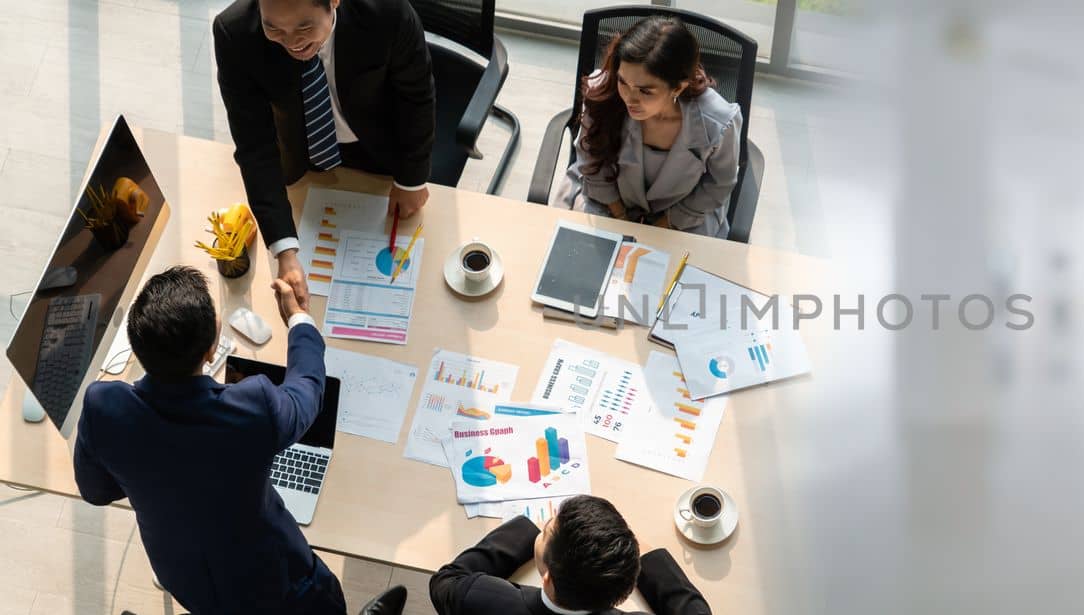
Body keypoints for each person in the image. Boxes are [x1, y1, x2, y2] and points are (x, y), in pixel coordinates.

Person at [69, 266, 399, 613]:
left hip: (188, 582)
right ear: (211, 350)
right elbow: (307, 392)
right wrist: (299, 319)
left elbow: (96, 491)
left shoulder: (102, 406)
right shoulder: (251, 408)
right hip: (281, 591)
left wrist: (161, 476)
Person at [213, 0, 435, 304]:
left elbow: (417, 97)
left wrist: (411, 180)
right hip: (302, 157)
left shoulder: (388, 11)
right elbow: (254, 145)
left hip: (381, 151)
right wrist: (285, 250)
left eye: (304, 27)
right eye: (273, 28)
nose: (292, 42)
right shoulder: (234, 32)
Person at [559, 17, 743, 239]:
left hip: (683, 217)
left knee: (675, 270)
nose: (629, 98)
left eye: (645, 91)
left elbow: (718, 185)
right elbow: (592, 163)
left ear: (678, 87)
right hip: (605, 200)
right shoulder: (604, 94)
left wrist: (660, 228)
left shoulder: (719, 122)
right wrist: (623, 221)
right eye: (623, 81)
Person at [429, 495, 712, 615]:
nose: (546, 525)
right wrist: (633, 551)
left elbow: (445, 580)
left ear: (548, 577)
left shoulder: (484, 599)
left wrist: (528, 530)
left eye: (548, 528)